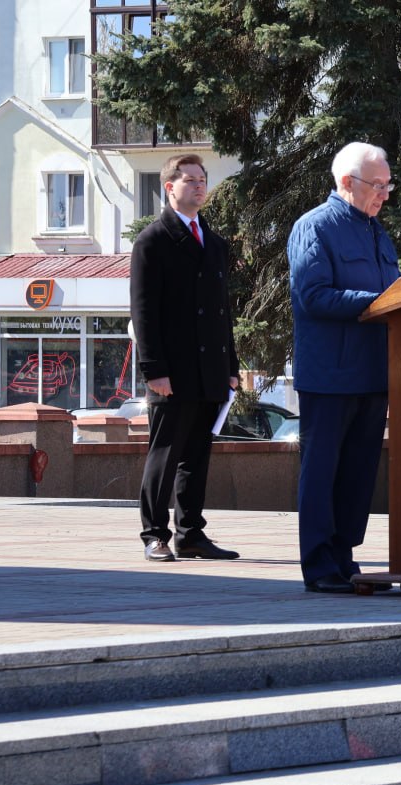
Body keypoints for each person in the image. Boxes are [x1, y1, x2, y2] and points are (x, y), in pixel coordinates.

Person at [287, 142, 398, 593]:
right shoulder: (314, 226)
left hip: (373, 374)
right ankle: (319, 565)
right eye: (378, 185)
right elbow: (312, 295)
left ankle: (344, 558)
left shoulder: (378, 233)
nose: (385, 194)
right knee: (323, 473)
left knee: (357, 474)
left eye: (388, 185)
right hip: (330, 376)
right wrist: (379, 303)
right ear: (347, 182)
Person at [130, 153, 241, 562]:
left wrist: (230, 367)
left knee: (196, 456)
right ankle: (154, 535)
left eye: (202, 180)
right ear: (169, 187)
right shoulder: (153, 240)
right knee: (165, 454)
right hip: (172, 372)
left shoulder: (213, 242)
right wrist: (154, 370)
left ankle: (191, 533)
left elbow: (222, 312)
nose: (198, 186)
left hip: (209, 369)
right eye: (190, 179)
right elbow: (143, 311)